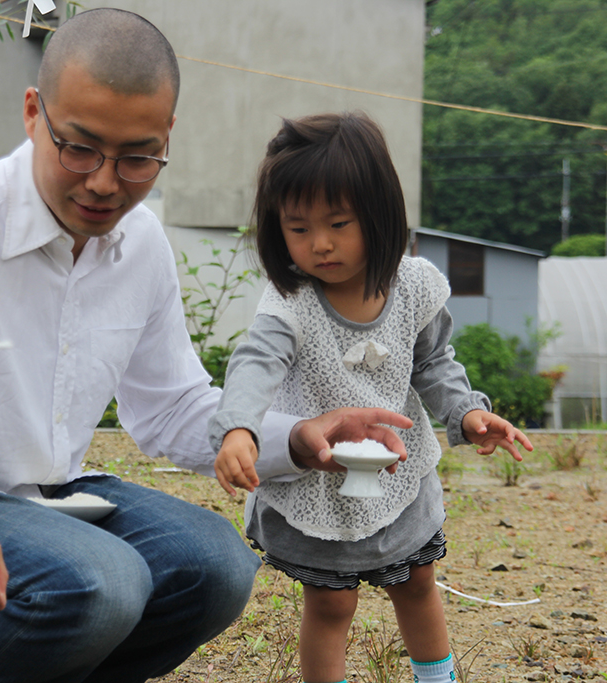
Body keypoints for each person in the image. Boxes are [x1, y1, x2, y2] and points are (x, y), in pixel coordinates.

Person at [0, 11, 415, 683]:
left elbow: (174, 406)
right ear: (34, 114)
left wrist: (300, 437)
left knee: (216, 566)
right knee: (102, 582)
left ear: (166, 136)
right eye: (80, 147)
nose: (103, 182)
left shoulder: (140, 244)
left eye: (137, 156)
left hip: (48, 507)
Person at [208, 112, 533, 683]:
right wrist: (240, 427)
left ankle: (437, 678)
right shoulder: (290, 302)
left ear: (379, 217)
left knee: (417, 582)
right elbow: (255, 363)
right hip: (317, 478)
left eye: (339, 223)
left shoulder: (413, 286)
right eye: (299, 227)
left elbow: (435, 361)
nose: (321, 244)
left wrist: (468, 412)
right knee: (331, 603)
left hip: (398, 475)